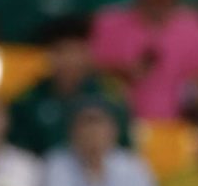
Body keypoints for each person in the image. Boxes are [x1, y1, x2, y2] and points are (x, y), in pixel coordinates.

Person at [8, 18, 132, 155]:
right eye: (60, 52)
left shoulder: (108, 99)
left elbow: (123, 151)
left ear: (87, 54)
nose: (69, 60)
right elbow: (17, 151)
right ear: (49, 56)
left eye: (75, 52)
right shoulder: (28, 100)